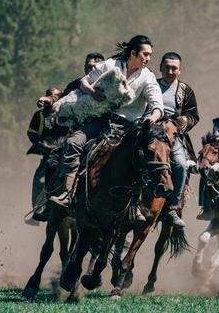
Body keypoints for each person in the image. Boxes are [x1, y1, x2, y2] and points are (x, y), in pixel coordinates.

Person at [48, 35, 163, 215]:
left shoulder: (148, 77)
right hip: (100, 120)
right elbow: (84, 81)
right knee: (73, 143)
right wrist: (93, 92)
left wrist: (152, 118)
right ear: (133, 53)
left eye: (150, 55)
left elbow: (157, 105)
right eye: (145, 54)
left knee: (143, 156)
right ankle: (67, 192)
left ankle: (135, 205)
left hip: (128, 127)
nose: (148, 59)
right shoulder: (110, 65)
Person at [156, 52, 199, 227]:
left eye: (174, 68)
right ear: (160, 68)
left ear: (180, 70)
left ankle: (172, 208)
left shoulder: (185, 90)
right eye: (167, 67)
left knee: (181, 164)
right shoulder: (151, 85)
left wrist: (183, 121)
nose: (170, 71)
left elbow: (194, 116)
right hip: (149, 131)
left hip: (172, 135)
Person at [28, 88, 68, 223]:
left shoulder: (66, 113)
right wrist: (41, 145)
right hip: (49, 153)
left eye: (56, 96)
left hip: (68, 152)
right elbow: (32, 133)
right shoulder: (39, 115)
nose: (53, 98)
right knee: (39, 178)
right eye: (50, 96)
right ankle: (38, 209)